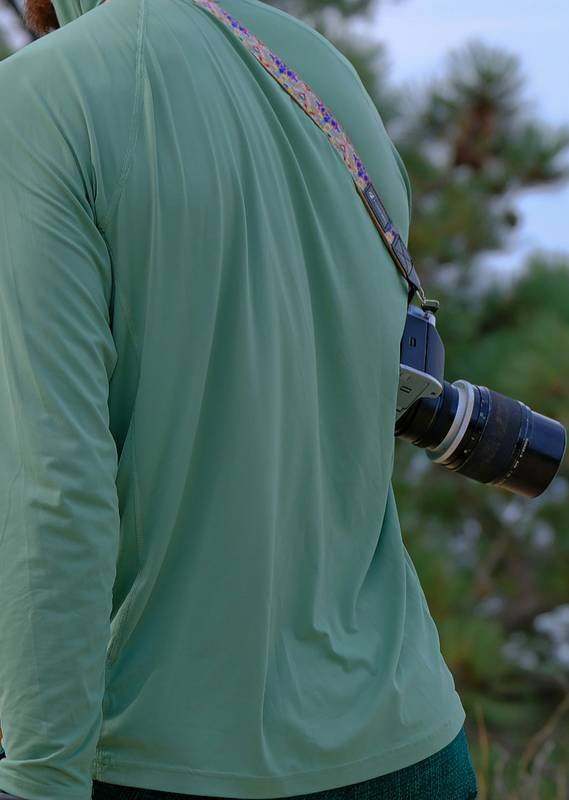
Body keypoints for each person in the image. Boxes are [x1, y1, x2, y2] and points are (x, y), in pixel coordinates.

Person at [0, 0, 476, 798]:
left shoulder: (37, 102)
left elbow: (55, 491)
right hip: (411, 748)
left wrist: (40, 777)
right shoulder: (324, 77)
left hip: (168, 760)